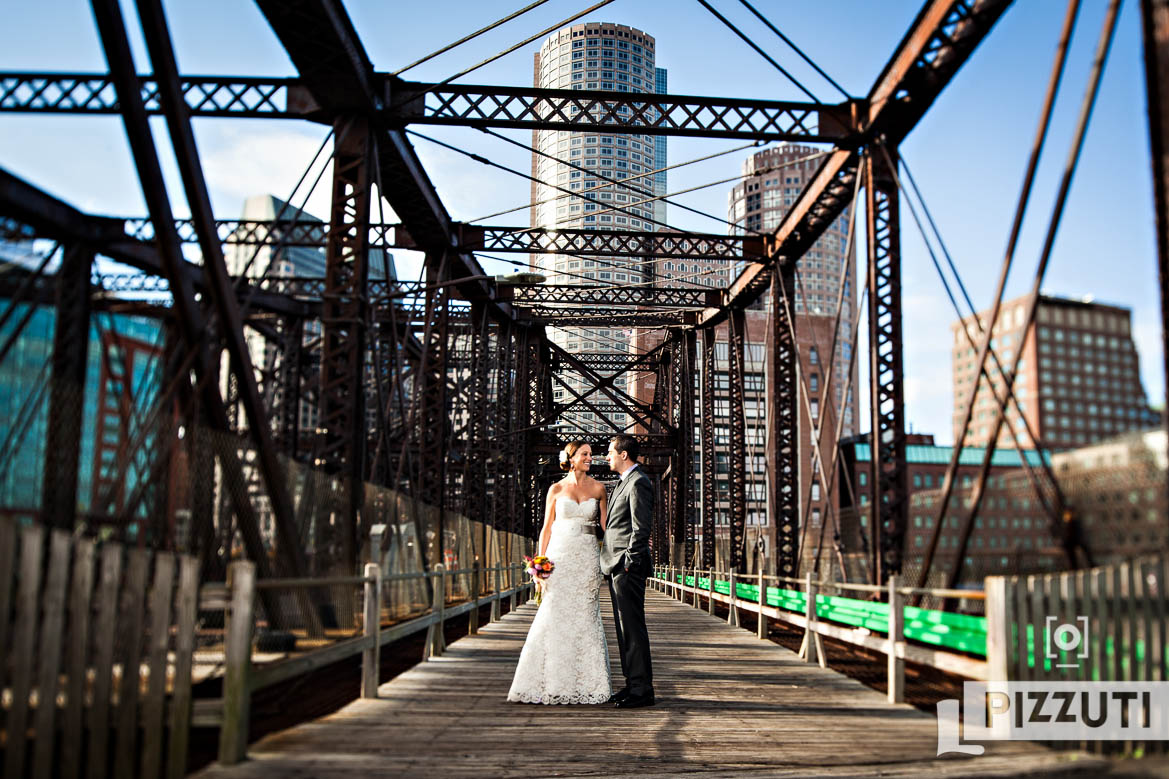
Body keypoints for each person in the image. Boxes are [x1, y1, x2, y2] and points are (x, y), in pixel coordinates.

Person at [507, 441, 611, 704]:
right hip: (560, 556)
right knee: (554, 612)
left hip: (587, 558)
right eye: (585, 454)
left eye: (591, 454)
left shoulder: (599, 489)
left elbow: (606, 526)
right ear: (571, 458)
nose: (590, 457)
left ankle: (589, 681)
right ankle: (552, 679)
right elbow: (546, 528)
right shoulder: (555, 489)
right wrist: (539, 564)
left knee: (586, 614)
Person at [601, 434, 655, 708]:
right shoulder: (625, 483)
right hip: (617, 565)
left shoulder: (639, 482)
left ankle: (642, 690)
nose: (606, 456)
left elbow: (641, 528)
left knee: (633, 628)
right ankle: (632, 684)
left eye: (610, 451)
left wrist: (629, 562)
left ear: (624, 455)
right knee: (625, 629)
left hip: (626, 566)